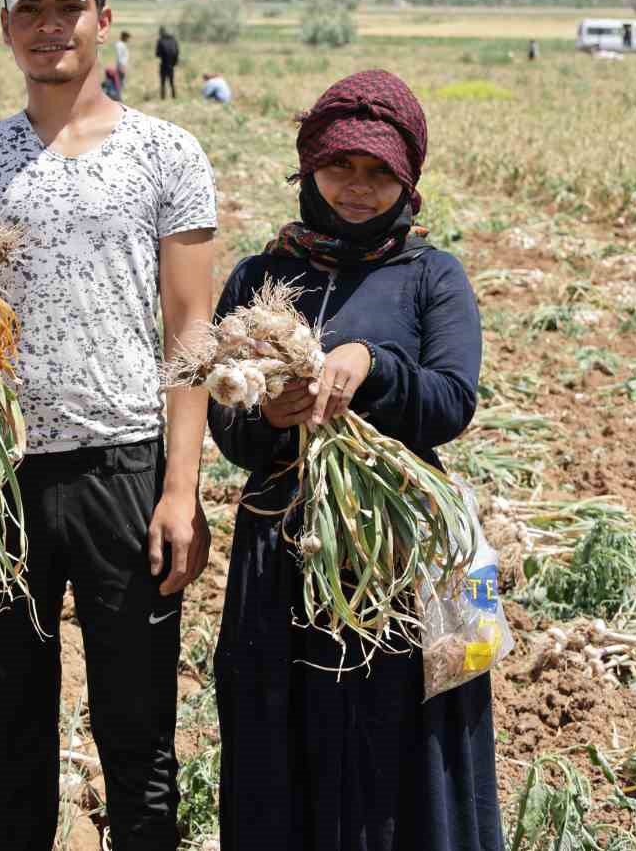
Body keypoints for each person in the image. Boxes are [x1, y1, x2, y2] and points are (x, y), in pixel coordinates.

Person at [0, 0, 217, 851]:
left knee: (137, 734)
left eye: (68, 7)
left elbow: (191, 332)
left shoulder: (167, 155)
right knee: (17, 731)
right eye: (30, 9)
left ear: (104, 18)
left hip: (124, 469)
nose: (52, 26)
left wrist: (180, 488)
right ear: (6, 27)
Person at [208, 69, 498, 850]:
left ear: (408, 180)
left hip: (397, 549)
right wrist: (269, 416)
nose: (358, 189)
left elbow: (451, 402)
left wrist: (374, 363)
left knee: (398, 743)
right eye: (341, 168)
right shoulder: (260, 276)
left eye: (379, 173)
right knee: (284, 735)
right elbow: (227, 425)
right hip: (283, 548)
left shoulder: (432, 275)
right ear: (309, 168)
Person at [155, 26, 180, 98]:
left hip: (164, 63)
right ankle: (174, 96)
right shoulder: (173, 40)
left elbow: (157, 54)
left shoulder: (160, 41)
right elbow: (177, 52)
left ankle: (163, 97)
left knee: (163, 82)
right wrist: (175, 62)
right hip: (171, 64)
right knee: (172, 81)